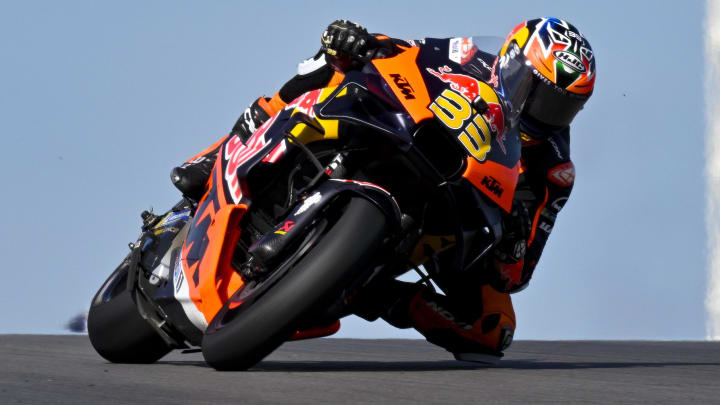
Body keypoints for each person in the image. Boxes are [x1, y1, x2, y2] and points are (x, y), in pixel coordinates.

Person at [171, 18, 596, 362]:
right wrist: (359, 42)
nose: (545, 114)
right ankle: (225, 148)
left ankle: (372, 293)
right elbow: (399, 50)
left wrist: (514, 240)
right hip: (400, 140)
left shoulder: (554, 169)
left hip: (446, 219)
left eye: (562, 106)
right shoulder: (466, 56)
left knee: (493, 329)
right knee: (333, 59)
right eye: (539, 94)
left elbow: (517, 274)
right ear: (514, 63)